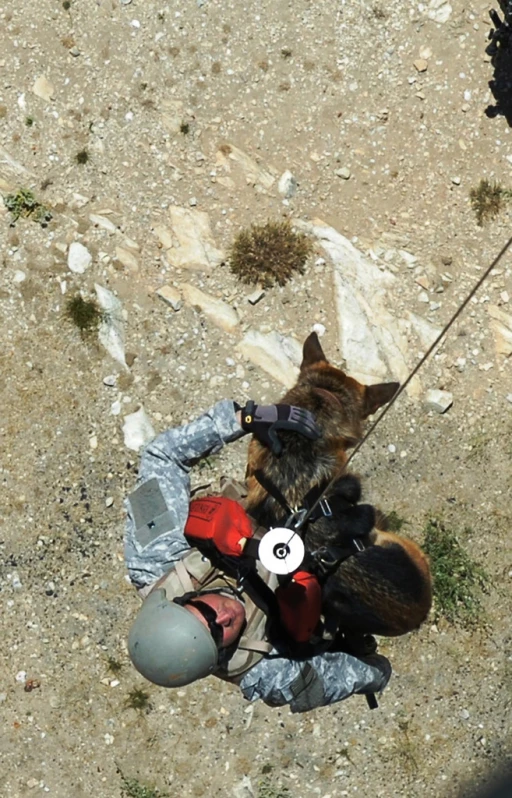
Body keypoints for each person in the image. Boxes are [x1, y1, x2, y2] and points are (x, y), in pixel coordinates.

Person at [124, 399, 391, 713]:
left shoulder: (154, 558)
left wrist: (247, 419)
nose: (224, 617)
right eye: (217, 634)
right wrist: (373, 667)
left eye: (207, 614)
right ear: (218, 657)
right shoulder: (265, 673)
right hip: (319, 571)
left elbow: (161, 456)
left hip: (257, 511)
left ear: (181, 598)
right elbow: (352, 675)